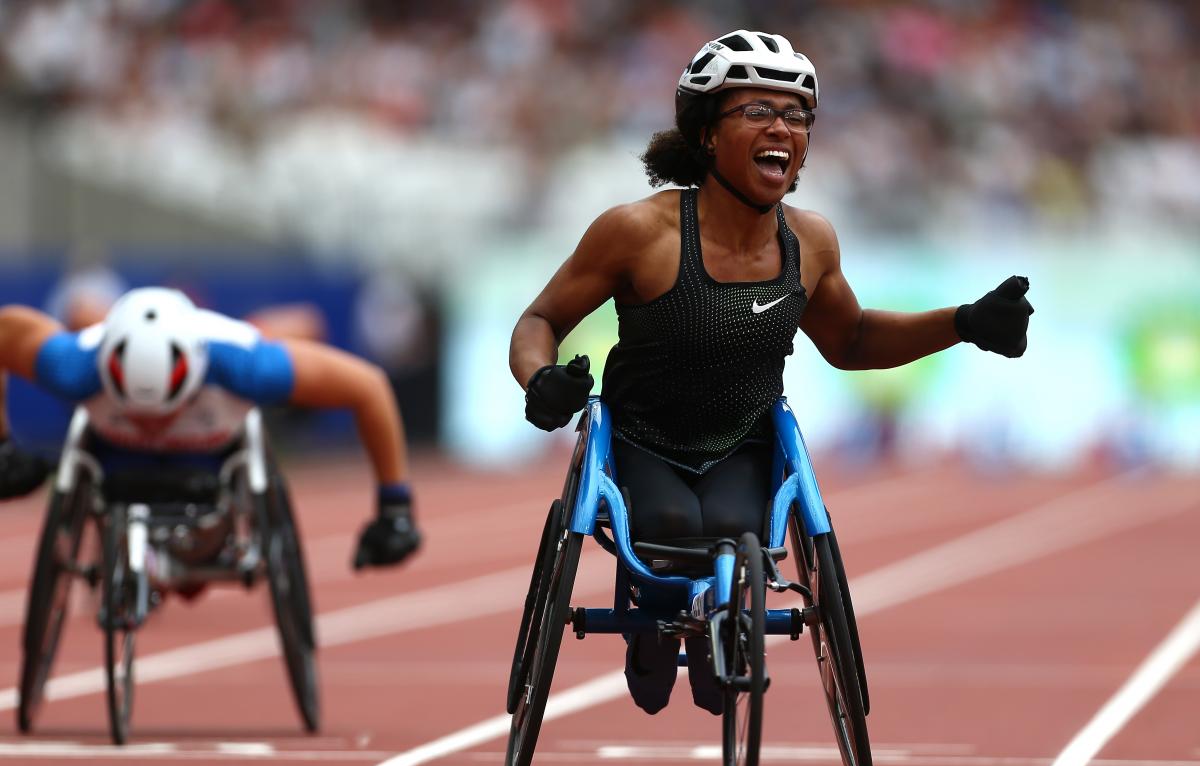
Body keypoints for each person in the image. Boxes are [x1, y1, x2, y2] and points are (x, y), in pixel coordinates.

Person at [509, 30, 1033, 716]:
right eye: (757, 111)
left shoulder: (809, 241)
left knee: (736, 537)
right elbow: (538, 320)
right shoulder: (639, 232)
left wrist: (962, 323)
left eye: (797, 115)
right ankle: (658, 625)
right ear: (704, 134)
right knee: (667, 529)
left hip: (744, 442)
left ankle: (709, 619)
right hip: (643, 440)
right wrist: (539, 379)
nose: (782, 128)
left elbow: (852, 339)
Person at [0, 287, 421, 571]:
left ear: (197, 376)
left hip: (212, 452)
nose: (152, 425)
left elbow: (369, 387)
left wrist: (394, 507)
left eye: (165, 411)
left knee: (286, 328)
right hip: (115, 454)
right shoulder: (73, 366)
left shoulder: (245, 365)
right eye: (139, 410)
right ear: (109, 377)